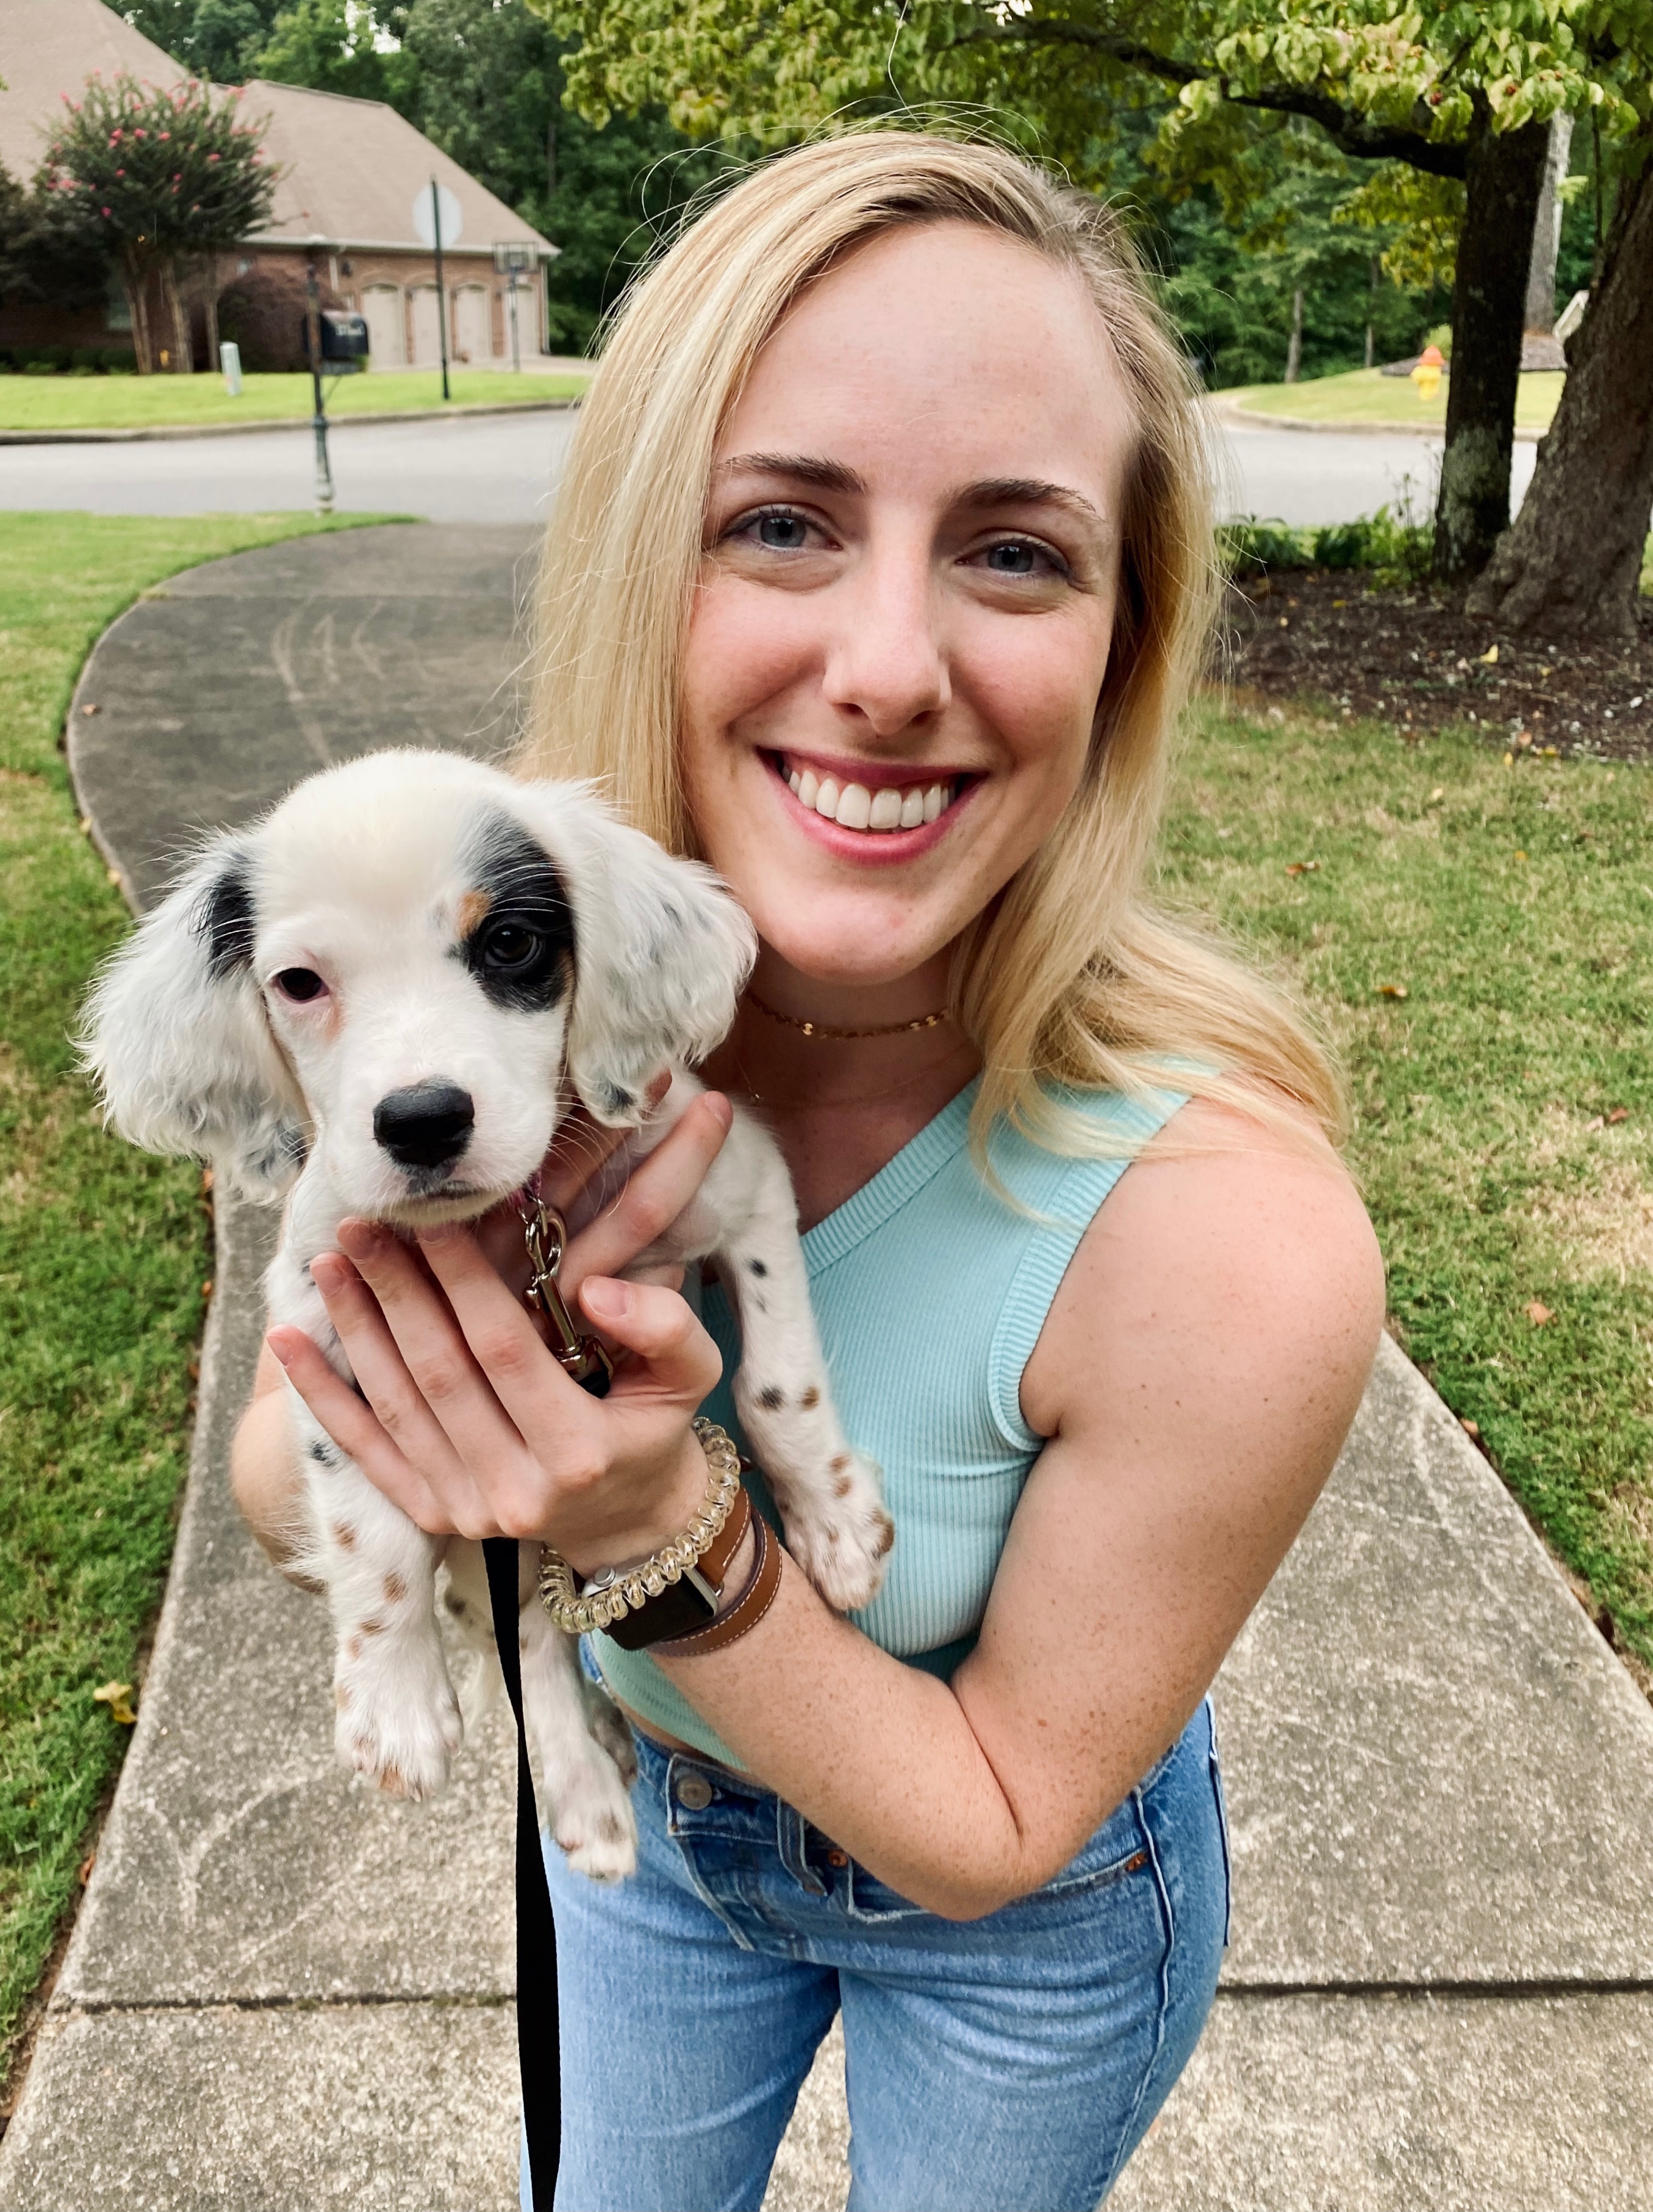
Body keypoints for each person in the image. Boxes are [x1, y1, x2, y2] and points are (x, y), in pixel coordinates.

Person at [232, 132, 1384, 2211]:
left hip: (1022, 1921)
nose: (885, 664)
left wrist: (654, 1525)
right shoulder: (483, 1009)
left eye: (1015, 552)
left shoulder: (1230, 1234)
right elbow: (274, 1471)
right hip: (659, 1829)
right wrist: (418, 1411)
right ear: (637, 565)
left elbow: (994, 1816)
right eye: (780, 522)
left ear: (1123, 647)